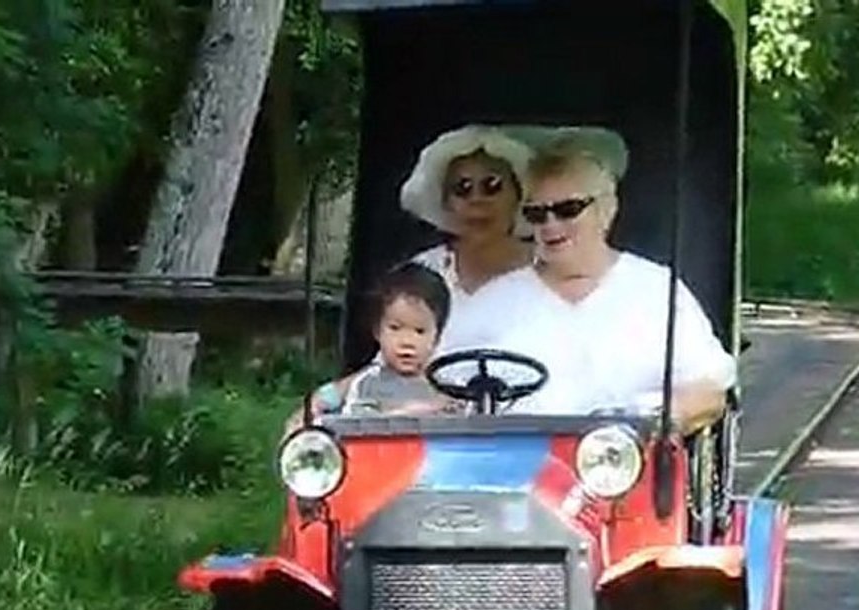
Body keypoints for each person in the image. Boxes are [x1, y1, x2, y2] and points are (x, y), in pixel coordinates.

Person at [460, 133, 736, 434]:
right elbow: (443, 391)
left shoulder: (657, 291)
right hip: (516, 457)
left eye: (568, 209)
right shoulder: (492, 301)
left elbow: (709, 393)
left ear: (607, 209)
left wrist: (652, 418)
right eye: (537, 214)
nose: (551, 224)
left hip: (627, 455)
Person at [284, 124, 535, 429]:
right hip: (432, 430)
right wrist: (318, 403)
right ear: (446, 203)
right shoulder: (425, 270)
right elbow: (383, 366)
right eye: (462, 188)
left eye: (492, 185)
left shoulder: (549, 271)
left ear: (518, 195)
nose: (477, 199)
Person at [287, 263, 457, 430]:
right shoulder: (367, 383)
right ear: (377, 331)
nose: (407, 342)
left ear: (437, 337)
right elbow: (362, 425)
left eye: (419, 331)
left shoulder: (447, 390)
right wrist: (414, 412)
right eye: (395, 328)